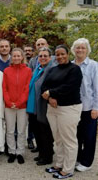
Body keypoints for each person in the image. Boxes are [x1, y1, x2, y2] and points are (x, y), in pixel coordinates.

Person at [41, 45, 83, 179]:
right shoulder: (53, 69)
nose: (60, 57)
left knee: (69, 139)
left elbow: (70, 87)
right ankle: (59, 164)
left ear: (67, 54)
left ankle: (68, 169)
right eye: (57, 55)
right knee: (57, 139)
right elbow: (44, 86)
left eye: (62, 54)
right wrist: (51, 98)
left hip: (69, 108)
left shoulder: (74, 69)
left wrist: (52, 93)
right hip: (52, 108)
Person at [71, 38, 98, 172]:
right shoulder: (70, 65)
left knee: (89, 136)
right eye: (78, 47)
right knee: (76, 135)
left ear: (87, 50)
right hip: (73, 107)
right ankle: (78, 158)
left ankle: (87, 162)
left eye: (83, 48)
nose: (80, 50)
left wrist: (96, 107)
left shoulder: (93, 65)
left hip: (88, 107)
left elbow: (97, 87)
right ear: (73, 50)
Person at [26, 47, 55, 166]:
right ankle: (41, 153)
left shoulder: (51, 69)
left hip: (43, 106)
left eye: (45, 56)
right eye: (40, 56)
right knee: (37, 131)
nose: (42, 58)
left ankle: (47, 156)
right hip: (33, 106)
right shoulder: (38, 68)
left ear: (50, 57)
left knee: (45, 133)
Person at [3, 48, 32, 164]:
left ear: (22, 57)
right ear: (11, 57)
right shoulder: (6, 70)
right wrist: (9, 102)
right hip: (9, 105)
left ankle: (20, 152)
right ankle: (11, 151)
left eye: (18, 56)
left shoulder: (28, 70)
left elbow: (27, 88)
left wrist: (19, 102)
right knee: (9, 130)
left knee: (21, 130)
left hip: (22, 105)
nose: (16, 58)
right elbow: (4, 88)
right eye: (14, 56)